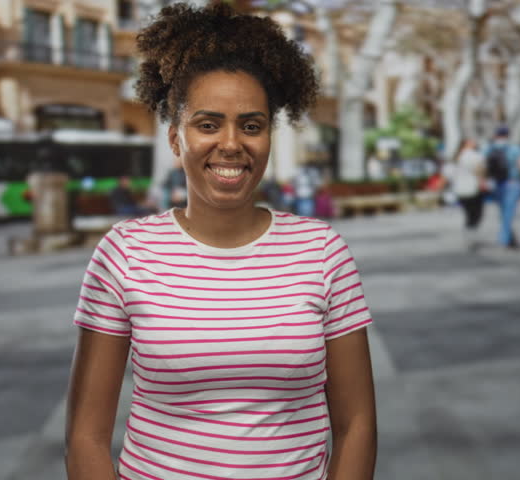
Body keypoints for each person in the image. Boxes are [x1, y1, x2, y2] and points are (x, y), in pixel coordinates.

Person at [65, 4, 377, 480]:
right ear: (175, 139)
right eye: (207, 124)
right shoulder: (124, 254)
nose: (231, 143)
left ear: (269, 137)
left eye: (251, 125)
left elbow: (356, 424)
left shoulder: (323, 252)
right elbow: (85, 437)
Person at [485, 126, 520, 249]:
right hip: (512, 183)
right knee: (509, 211)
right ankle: (505, 238)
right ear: (507, 135)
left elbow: (482, 166)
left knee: (503, 212)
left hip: (496, 184)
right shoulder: (515, 149)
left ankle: (509, 237)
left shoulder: (488, 149)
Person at [450, 138, 487, 251]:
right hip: (473, 188)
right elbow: (480, 171)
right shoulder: (475, 156)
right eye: (472, 141)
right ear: (467, 144)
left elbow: (449, 173)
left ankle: (468, 235)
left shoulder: (456, 157)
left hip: (460, 189)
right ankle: (471, 236)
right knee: (476, 214)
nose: (475, 143)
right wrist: (482, 183)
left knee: (468, 213)